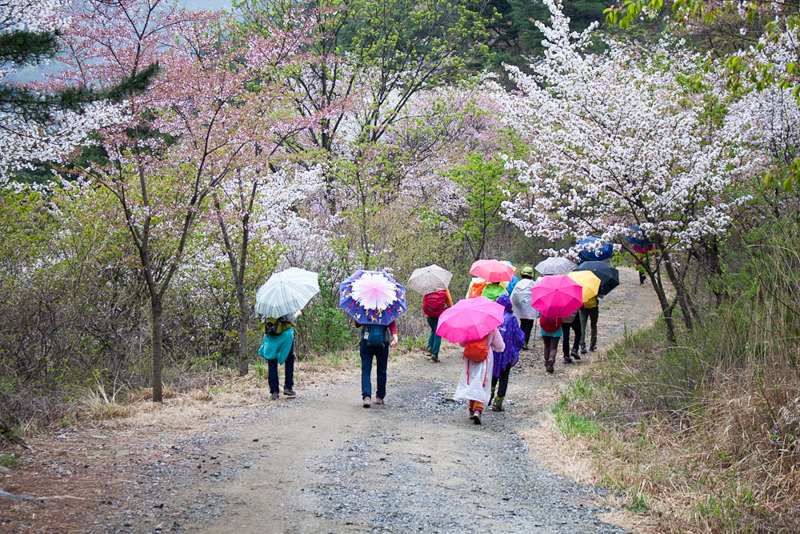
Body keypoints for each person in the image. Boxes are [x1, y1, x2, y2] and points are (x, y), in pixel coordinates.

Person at [454, 327, 505, 425]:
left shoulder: (469, 327)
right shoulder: (492, 329)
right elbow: (500, 346)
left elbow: (462, 344)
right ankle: (478, 409)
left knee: (471, 381)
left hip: (470, 357)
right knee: (481, 382)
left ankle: (471, 408)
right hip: (485, 358)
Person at [489, 294, 525, 412]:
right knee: (504, 378)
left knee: (492, 375)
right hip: (507, 354)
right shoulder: (511, 319)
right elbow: (519, 338)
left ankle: (488, 396)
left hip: (494, 352)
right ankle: (498, 403)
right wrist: (516, 349)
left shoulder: (493, 317)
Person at [258, 310, 302, 400]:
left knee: (272, 362)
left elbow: (263, 320)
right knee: (289, 359)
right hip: (285, 335)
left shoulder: (267, 306)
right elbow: (291, 318)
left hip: (270, 336)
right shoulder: (285, 306)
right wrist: (297, 313)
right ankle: (288, 387)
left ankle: (274, 391)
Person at [355, 320, 398, 407]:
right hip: (383, 343)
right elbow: (391, 323)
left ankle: (366, 397)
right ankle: (380, 397)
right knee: (382, 370)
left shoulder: (365, 311)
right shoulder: (386, 311)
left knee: (366, 370)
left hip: (366, 342)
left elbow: (357, 324)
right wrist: (395, 336)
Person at [423, 288, 453, 363]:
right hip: (439, 315)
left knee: (433, 330)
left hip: (429, 315)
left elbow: (424, 301)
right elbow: (449, 302)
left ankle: (429, 348)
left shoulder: (427, 288)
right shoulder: (444, 289)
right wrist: (451, 310)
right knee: (438, 334)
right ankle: (434, 355)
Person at [510, 266, 537, 350]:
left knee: (523, 323)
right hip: (530, 307)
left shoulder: (519, 283)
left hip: (520, 306)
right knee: (529, 324)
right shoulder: (533, 284)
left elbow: (513, 295)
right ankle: (525, 341)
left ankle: (520, 341)